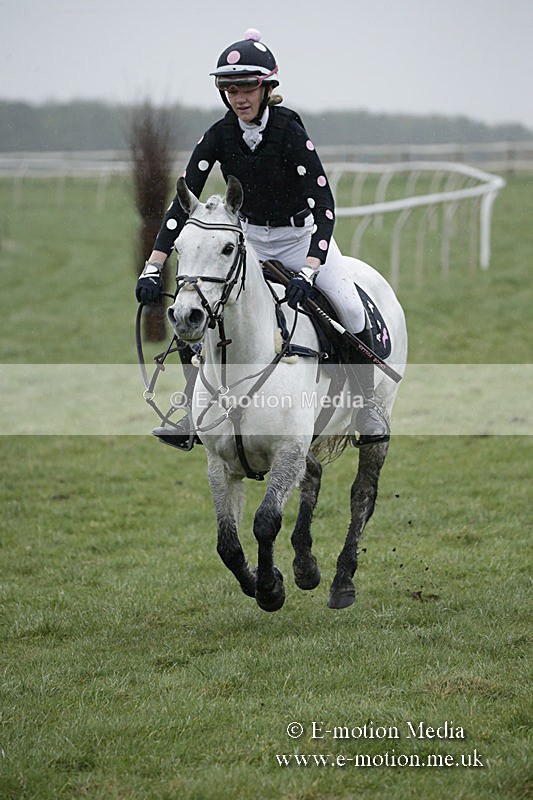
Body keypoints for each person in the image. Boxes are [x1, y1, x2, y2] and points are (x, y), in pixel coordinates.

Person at [136, 28, 389, 448]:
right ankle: (192, 413)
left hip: (299, 238)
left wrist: (309, 269)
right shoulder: (218, 135)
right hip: (247, 242)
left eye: (247, 87)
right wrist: (154, 266)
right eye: (230, 88)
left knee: (350, 308)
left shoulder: (289, 130)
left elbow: (324, 206)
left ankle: (365, 407)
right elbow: (183, 205)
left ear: (266, 87)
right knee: (194, 312)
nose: (239, 97)